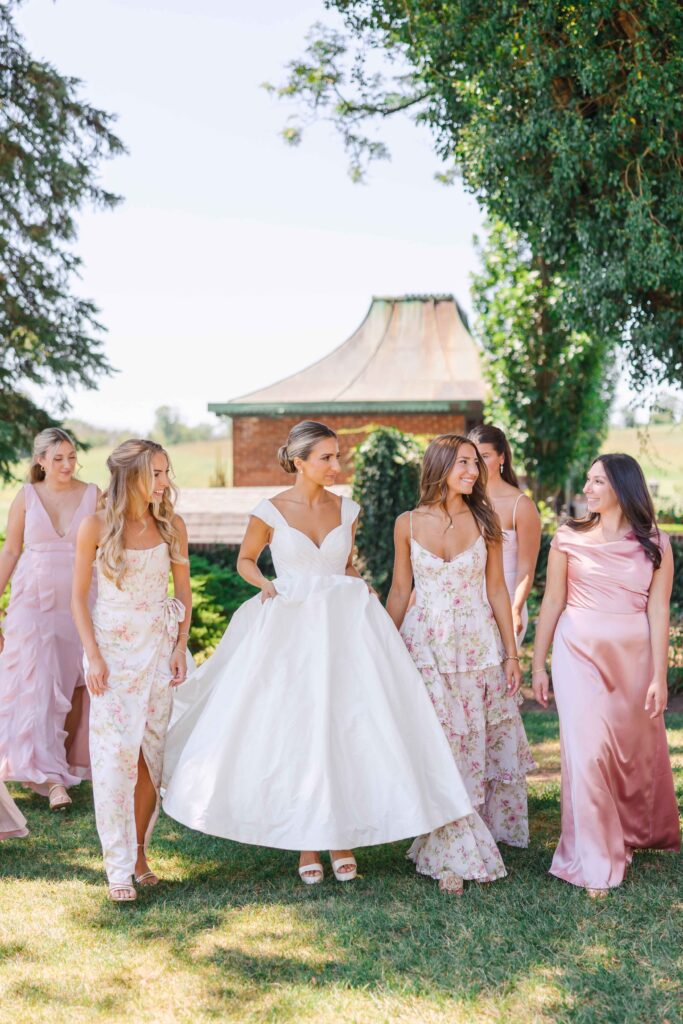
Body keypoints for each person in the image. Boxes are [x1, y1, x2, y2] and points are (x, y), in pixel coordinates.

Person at [163, 420, 475, 886]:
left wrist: (357, 582)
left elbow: (345, 564)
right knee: (298, 724)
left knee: (345, 723)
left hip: (344, 627)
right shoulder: (269, 510)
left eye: (337, 456)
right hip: (290, 625)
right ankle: (307, 843)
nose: (336, 465)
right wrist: (265, 583)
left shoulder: (348, 509)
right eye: (327, 457)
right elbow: (245, 560)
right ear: (299, 460)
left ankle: (339, 837)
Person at [387, 434, 536, 893]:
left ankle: (454, 841)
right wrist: (381, 648)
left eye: (476, 464)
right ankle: (450, 842)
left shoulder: (486, 520)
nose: (473, 472)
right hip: (425, 647)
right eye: (464, 464)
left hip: (476, 648)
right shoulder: (407, 524)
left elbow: (496, 591)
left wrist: (512, 655)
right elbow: (399, 590)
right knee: (440, 742)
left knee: (469, 744)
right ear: (440, 466)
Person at [532, 453, 680, 896]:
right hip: (577, 653)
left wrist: (659, 675)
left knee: (625, 754)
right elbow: (552, 603)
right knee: (590, 752)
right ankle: (595, 861)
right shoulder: (567, 538)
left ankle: (625, 835)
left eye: (597, 481)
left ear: (622, 487)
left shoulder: (657, 542)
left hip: (633, 660)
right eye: (588, 481)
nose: (587, 489)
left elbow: (658, 609)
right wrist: (536, 664)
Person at [72, 439, 191, 903]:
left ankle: (140, 855)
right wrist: (94, 656)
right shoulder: (95, 526)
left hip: (158, 650)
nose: (164, 483)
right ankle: (117, 867)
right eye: (156, 474)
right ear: (132, 477)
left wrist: (180, 647)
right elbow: (77, 597)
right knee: (114, 760)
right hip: (112, 655)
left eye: (165, 473)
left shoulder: (172, 525)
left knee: (149, 760)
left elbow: (182, 595)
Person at [0, 427, 98, 812]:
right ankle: (51, 779)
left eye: (71, 457)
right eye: (58, 458)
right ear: (40, 460)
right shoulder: (25, 497)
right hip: (31, 601)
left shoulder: (93, 495)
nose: (67, 465)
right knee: (38, 683)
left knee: (76, 684)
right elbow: (10, 552)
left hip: (81, 599)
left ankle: (69, 761)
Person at [468, 425, 541, 646]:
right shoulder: (463, 501)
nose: (478, 463)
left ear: (501, 457)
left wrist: (516, 609)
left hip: (507, 600)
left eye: (485, 456)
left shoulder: (521, 505)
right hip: (465, 601)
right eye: (473, 457)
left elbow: (526, 568)